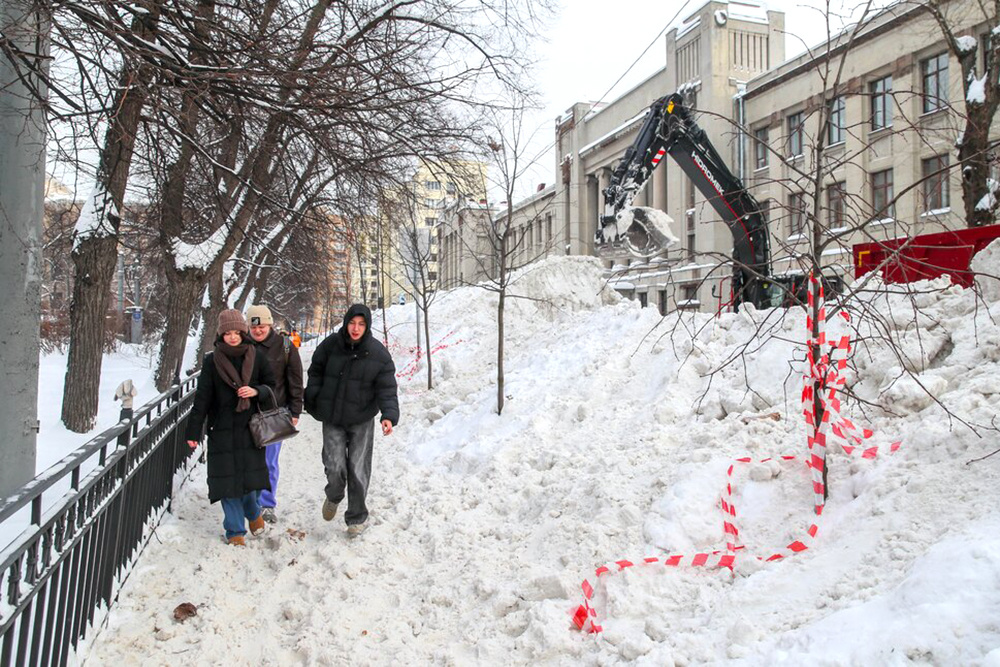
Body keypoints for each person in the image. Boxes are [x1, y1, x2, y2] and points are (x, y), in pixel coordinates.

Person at [305, 304, 399, 536]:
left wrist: (388, 415)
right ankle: (334, 495)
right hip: (334, 416)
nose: (356, 328)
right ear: (346, 323)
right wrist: (314, 396)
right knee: (334, 465)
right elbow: (315, 372)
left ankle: (356, 517)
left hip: (362, 417)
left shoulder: (378, 353)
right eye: (352, 323)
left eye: (361, 324)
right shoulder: (330, 346)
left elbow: (387, 387)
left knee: (358, 468)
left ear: (366, 327)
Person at [185, 309, 276, 546]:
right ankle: (235, 531)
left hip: (250, 430)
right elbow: (203, 398)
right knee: (227, 484)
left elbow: (272, 387)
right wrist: (194, 431)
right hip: (222, 430)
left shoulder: (256, 356)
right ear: (221, 334)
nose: (233, 337)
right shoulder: (211, 361)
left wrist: (256, 391)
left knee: (250, 482)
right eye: (228, 333)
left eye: (237, 332)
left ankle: (254, 513)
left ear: (243, 332)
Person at [246, 304, 304, 524]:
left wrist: (295, 410)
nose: (258, 330)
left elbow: (295, 381)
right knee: (248, 460)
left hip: (274, 413)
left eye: (262, 325)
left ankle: (267, 503)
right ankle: (250, 502)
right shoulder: (244, 346)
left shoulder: (286, 347)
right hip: (246, 412)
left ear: (269, 324)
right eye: (254, 326)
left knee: (269, 461)